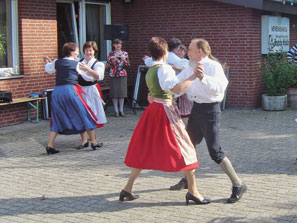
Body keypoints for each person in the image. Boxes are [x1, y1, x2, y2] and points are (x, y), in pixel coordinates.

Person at [119, 37, 210, 205]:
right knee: (187, 149)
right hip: (165, 111)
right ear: (165, 52)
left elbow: (153, 93)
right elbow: (176, 90)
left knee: (144, 149)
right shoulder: (165, 69)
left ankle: (128, 188)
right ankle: (193, 191)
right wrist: (193, 77)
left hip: (153, 111)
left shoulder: (151, 69)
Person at [170, 38, 247, 204]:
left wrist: (203, 77)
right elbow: (177, 84)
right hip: (196, 109)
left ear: (200, 51)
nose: (187, 52)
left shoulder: (213, 66)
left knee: (215, 151)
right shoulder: (189, 66)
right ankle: (188, 180)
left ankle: (238, 184)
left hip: (211, 110)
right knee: (188, 145)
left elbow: (220, 88)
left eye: (190, 49)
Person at [44, 42, 102, 154]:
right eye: (76, 50)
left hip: (57, 92)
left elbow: (48, 69)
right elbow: (88, 78)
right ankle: (94, 142)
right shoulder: (77, 64)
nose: (77, 53)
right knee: (84, 113)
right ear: (71, 51)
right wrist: (93, 74)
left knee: (56, 117)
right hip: (70, 90)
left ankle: (50, 145)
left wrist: (46, 62)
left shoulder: (56, 62)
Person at [77, 41, 107, 150]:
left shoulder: (98, 63)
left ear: (94, 51)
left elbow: (99, 76)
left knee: (90, 114)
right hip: (80, 89)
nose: (88, 52)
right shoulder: (80, 61)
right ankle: (85, 140)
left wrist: (87, 69)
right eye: (86, 50)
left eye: (90, 50)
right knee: (80, 114)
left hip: (91, 90)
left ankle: (93, 140)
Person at [106, 39, 130, 117]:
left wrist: (124, 60)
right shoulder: (111, 54)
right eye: (116, 44)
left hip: (122, 74)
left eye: (119, 44)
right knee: (114, 92)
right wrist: (113, 61)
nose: (118, 46)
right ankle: (116, 111)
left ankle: (121, 110)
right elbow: (108, 65)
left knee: (122, 92)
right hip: (113, 74)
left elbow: (128, 65)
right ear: (113, 45)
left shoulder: (125, 53)